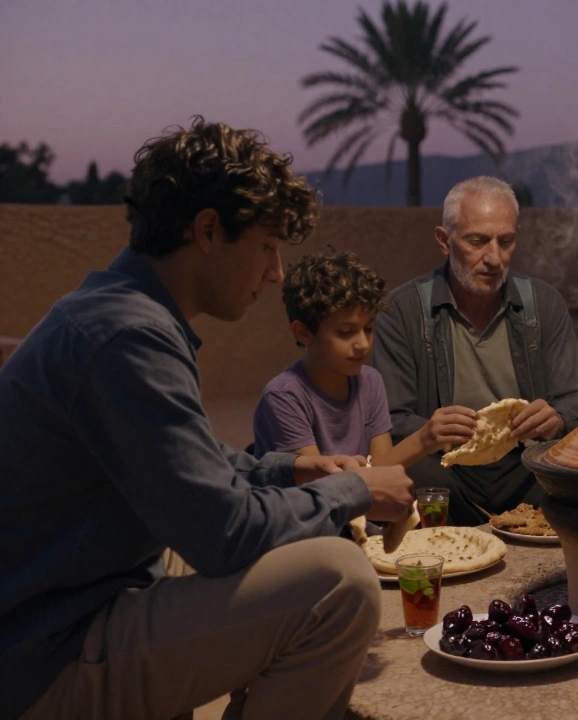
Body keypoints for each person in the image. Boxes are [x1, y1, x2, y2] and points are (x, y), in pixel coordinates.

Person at [0, 118, 415, 720]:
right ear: (209, 230)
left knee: (286, 532)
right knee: (338, 581)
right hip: (46, 655)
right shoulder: (127, 335)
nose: (275, 273)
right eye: (268, 247)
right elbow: (224, 533)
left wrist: (297, 471)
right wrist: (353, 489)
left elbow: (194, 466)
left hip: (70, 599)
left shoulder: (118, 310)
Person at [372, 176, 578, 526]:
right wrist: (431, 432)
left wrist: (556, 419)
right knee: (406, 473)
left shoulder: (542, 305)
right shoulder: (403, 311)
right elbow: (390, 420)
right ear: (444, 241)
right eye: (477, 241)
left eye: (505, 241)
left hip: (524, 466)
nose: (494, 258)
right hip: (446, 470)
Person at [252, 251, 469, 469]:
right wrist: (423, 439)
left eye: (368, 328)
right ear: (303, 333)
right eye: (346, 332)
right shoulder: (284, 397)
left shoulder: (369, 381)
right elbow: (318, 489)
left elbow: (381, 473)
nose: (363, 344)